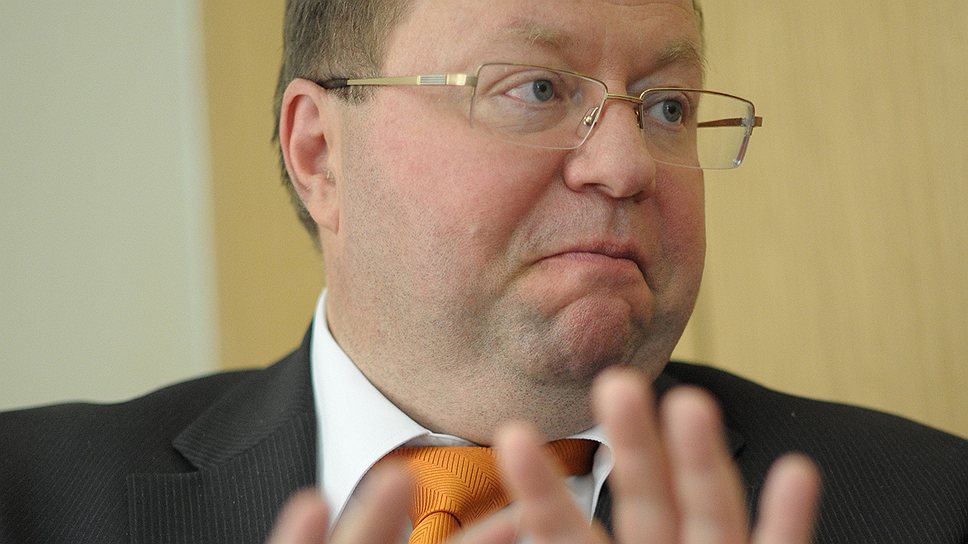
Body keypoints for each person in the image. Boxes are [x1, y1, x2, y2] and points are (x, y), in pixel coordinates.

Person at [2, 1, 967, 543]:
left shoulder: (930, 507)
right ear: (320, 154)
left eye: (668, 107)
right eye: (536, 89)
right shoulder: (28, 500)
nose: (626, 164)